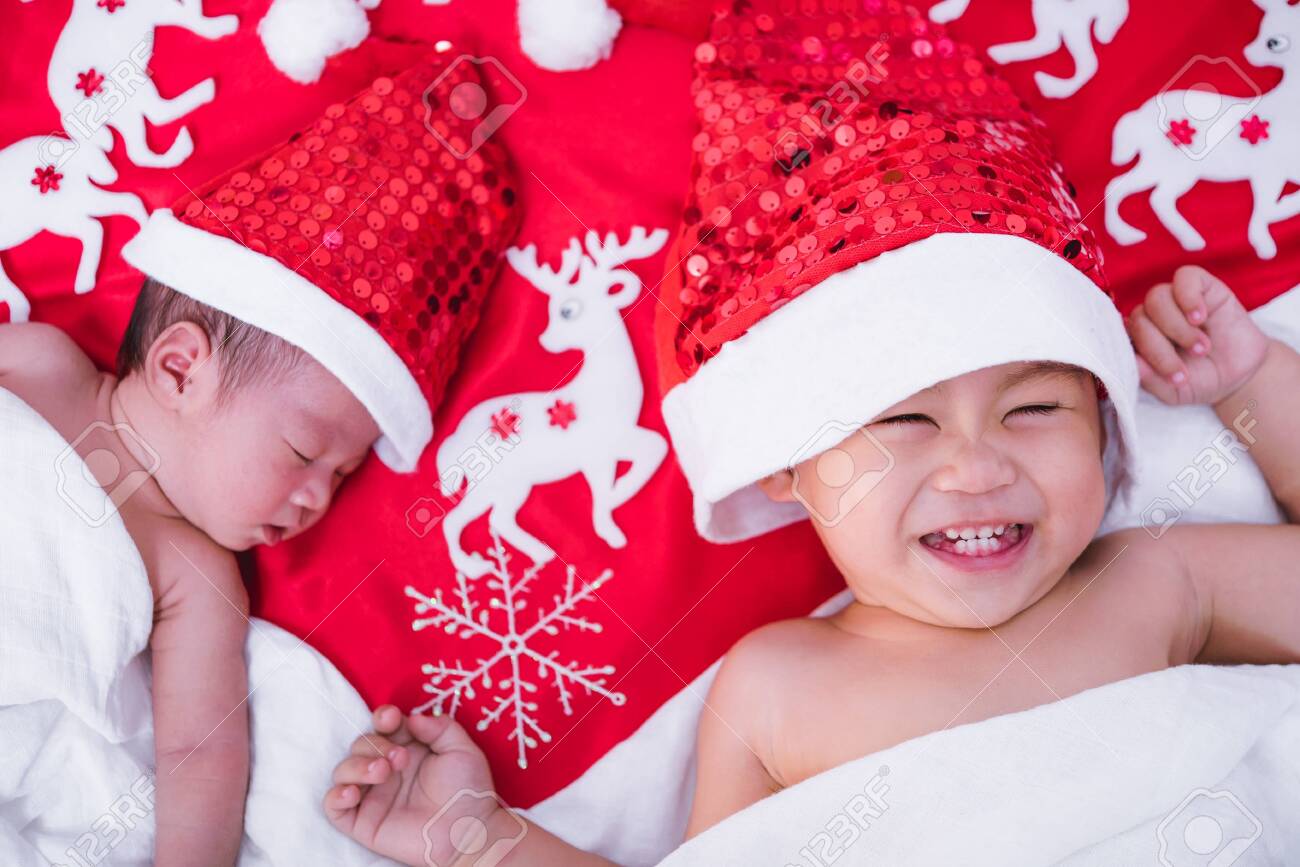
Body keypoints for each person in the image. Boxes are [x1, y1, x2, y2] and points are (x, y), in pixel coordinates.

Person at [321, 3, 1300, 864]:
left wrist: (1254, 379)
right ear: (786, 462)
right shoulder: (777, 689)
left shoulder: (1157, 582)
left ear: (1104, 425)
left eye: (1034, 408)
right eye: (903, 423)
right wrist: (475, 837)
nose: (975, 464)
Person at [0, 52, 515, 867]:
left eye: (340, 477)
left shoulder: (197, 573)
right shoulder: (34, 366)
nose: (317, 499)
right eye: (305, 452)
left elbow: (198, 758)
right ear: (180, 368)